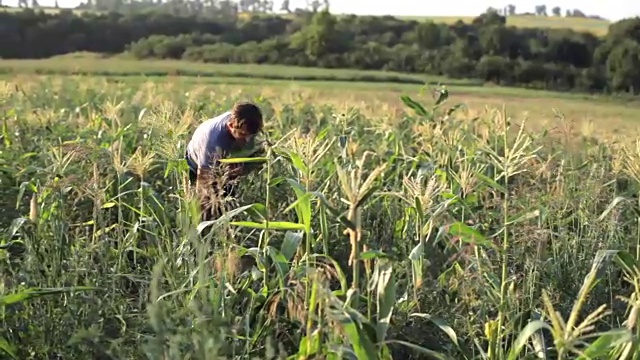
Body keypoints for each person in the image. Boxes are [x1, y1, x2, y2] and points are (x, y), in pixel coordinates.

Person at [185, 102, 265, 221]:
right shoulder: (213, 141)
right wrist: (201, 221)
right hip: (198, 164)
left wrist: (242, 169)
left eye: (251, 135)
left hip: (227, 162)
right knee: (208, 208)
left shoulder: (248, 126)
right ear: (231, 125)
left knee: (228, 208)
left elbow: (260, 156)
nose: (248, 140)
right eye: (243, 135)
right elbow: (203, 182)